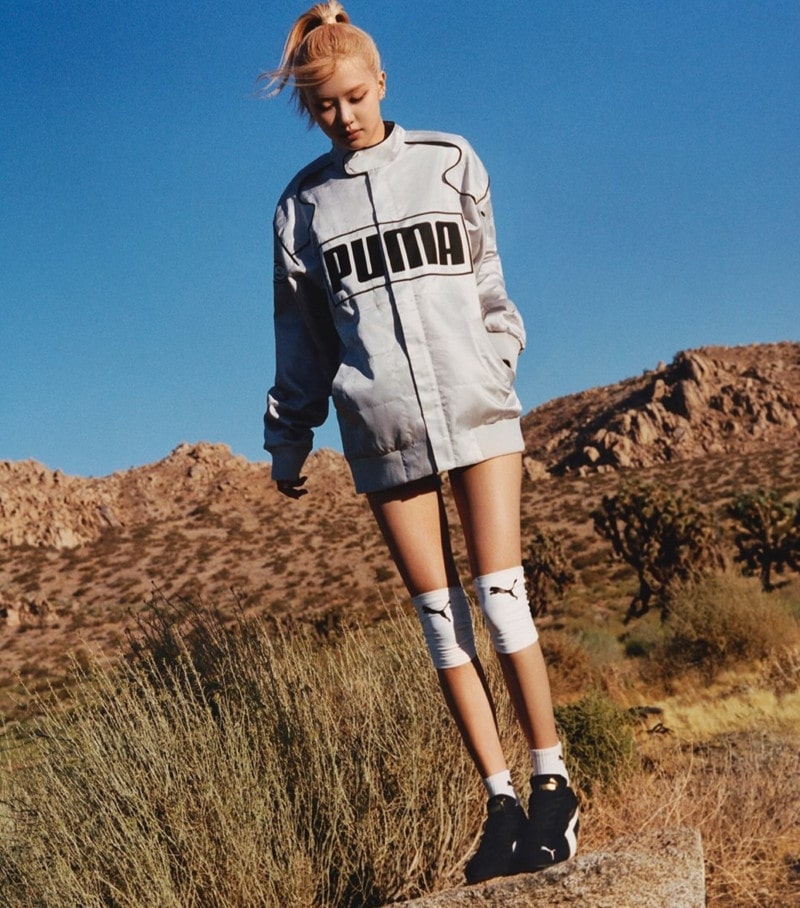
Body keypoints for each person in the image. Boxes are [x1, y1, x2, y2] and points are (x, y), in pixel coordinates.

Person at [261, 1, 579, 884]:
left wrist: (497, 360)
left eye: (356, 97)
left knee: (502, 598)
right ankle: (501, 803)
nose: (344, 116)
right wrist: (289, 436)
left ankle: (553, 784)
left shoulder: (449, 160)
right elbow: (301, 338)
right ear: (310, 109)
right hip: (383, 430)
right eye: (325, 106)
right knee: (442, 624)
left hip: (478, 414)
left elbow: (488, 280)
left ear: (382, 82)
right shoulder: (301, 208)